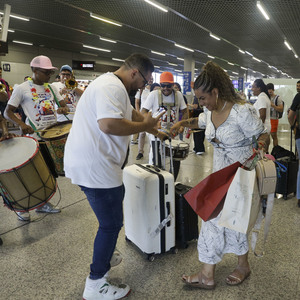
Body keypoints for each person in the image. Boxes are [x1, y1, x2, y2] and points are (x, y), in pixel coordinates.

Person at [63, 53, 166, 300]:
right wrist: (146, 126)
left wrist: (156, 128)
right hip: (95, 167)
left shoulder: (113, 85)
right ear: (134, 73)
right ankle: (96, 282)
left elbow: (134, 115)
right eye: (144, 80)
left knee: (113, 210)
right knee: (110, 225)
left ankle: (106, 255)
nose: (144, 86)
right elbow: (108, 124)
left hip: (95, 165)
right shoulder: (112, 86)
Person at [170, 61, 268, 289]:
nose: (200, 103)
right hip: (219, 177)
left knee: (235, 221)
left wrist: (261, 145)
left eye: (203, 98)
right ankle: (209, 273)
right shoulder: (209, 110)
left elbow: (263, 134)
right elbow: (200, 122)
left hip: (241, 176)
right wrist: (182, 123)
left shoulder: (241, 112)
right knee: (213, 219)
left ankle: (238, 267)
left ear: (215, 92)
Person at [4, 55, 69, 221]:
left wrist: (62, 109)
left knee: (48, 171)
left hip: (50, 135)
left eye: (50, 72)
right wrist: (21, 124)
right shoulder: (22, 88)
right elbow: (7, 112)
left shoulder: (51, 88)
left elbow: (63, 106)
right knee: (30, 174)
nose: (49, 75)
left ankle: (42, 204)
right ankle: (21, 207)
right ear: (34, 70)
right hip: (33, 136)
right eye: (45, 72)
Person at [142, 72, 187, 180]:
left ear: (173, 85)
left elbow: (185, 111)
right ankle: (158, 183)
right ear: (160, 85)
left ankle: (172, 182)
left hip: (172, 134)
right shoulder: (153, 95)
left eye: (169, 85)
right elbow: (143, 111)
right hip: (157, 133)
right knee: (157, 161)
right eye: (163, 85)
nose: (166, 88)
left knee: (175, 160)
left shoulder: (178, 95)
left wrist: (182, 125)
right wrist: (152, 123)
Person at [287, 80, 300, 208]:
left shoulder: (298, 96)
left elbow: (290, 115)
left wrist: (293, 127)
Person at [135, 76, 153, 160]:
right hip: (143, 114)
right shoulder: (141, 90)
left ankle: (152, 152)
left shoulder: (155, 90)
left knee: (152, 134)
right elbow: (137, 102)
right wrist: (138, 112)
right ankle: (140, 152)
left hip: (152, 115)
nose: (151, 80)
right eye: (149, 79)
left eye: (152, 79)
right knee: (142, 134)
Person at [252, 79, 271, 152]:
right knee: (263, 152)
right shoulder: (263, 96)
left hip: (262, 129)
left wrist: (257, 129)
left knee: (260, 153)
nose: (252, 89)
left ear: (258, 88)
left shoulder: (262, 98)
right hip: (264, 127)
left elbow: (262, 115)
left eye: (253, 87)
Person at [266, 83, 284, 147]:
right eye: (268, 89)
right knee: (266, 137)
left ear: (273, 89)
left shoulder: (277, 98)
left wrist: (273, 105)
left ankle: (275, 150)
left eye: (271, 89)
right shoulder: (266, 97)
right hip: (267, 119)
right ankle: (266, 152)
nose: (269, 91)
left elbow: (281, 109)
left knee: (274, 136)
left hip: (274, 119)